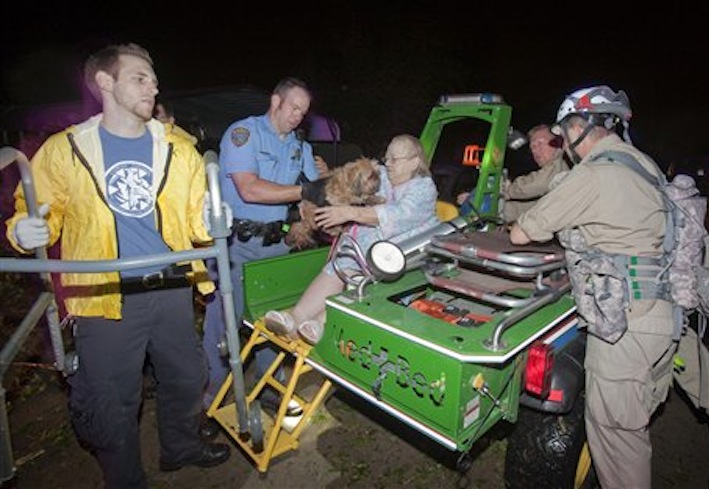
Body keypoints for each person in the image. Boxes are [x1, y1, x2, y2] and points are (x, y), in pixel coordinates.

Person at [509, 85, 709, 489]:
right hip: (668, 305)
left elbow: (523, 233)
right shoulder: (644, 165)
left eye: (564, 132)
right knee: (689, 362)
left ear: (580, 127)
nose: (563, 144)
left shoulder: (592, 173)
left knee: (615, 431)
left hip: (626, 322)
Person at [5, 43, 229, 488]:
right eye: (140, 77)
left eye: (154, 78)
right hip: (101, 292)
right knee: (109, 398)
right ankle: (124, 479)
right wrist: (23, 231)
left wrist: (207, 220)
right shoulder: (64, 150)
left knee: (186, 378)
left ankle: (180, 448)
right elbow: (33, 213)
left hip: (170, 285)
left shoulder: (179, 147)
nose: (154, 86)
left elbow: (195, 221)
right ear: (104, 83)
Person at [202, 77, 329, 423]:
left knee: (274, 324)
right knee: (224, 326)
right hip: (237, 247)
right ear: (275, 101)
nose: (297, 116)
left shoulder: (299, 146)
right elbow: (250, 190)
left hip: (276, 246)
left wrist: (325, 183)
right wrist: (305, 191)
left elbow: (316, 193)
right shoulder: (244, 134)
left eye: (303, 112)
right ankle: (210, 397)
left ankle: (271, 388)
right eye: (293, 107)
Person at [264, 134, 441, 344]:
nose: (389, 164)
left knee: (363, 276)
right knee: (340, 264)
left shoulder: (424, 188)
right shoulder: (382, 174)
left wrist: (349, 213)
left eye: (395, 159)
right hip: (364, 246)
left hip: (400, 257)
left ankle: (320, 324)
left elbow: (399, 214)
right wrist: (325, 181)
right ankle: (295, 317)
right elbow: (348, 181)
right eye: (387, 158)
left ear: (415, 161)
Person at [455, 124, 569, 222]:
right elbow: (526, 208)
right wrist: (476, 199)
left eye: (540, 143)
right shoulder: (547, 177)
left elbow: (533, 185)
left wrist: (506, 190)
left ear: (557, 142)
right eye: (533, 147)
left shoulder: (558, 167)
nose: (535, 150)